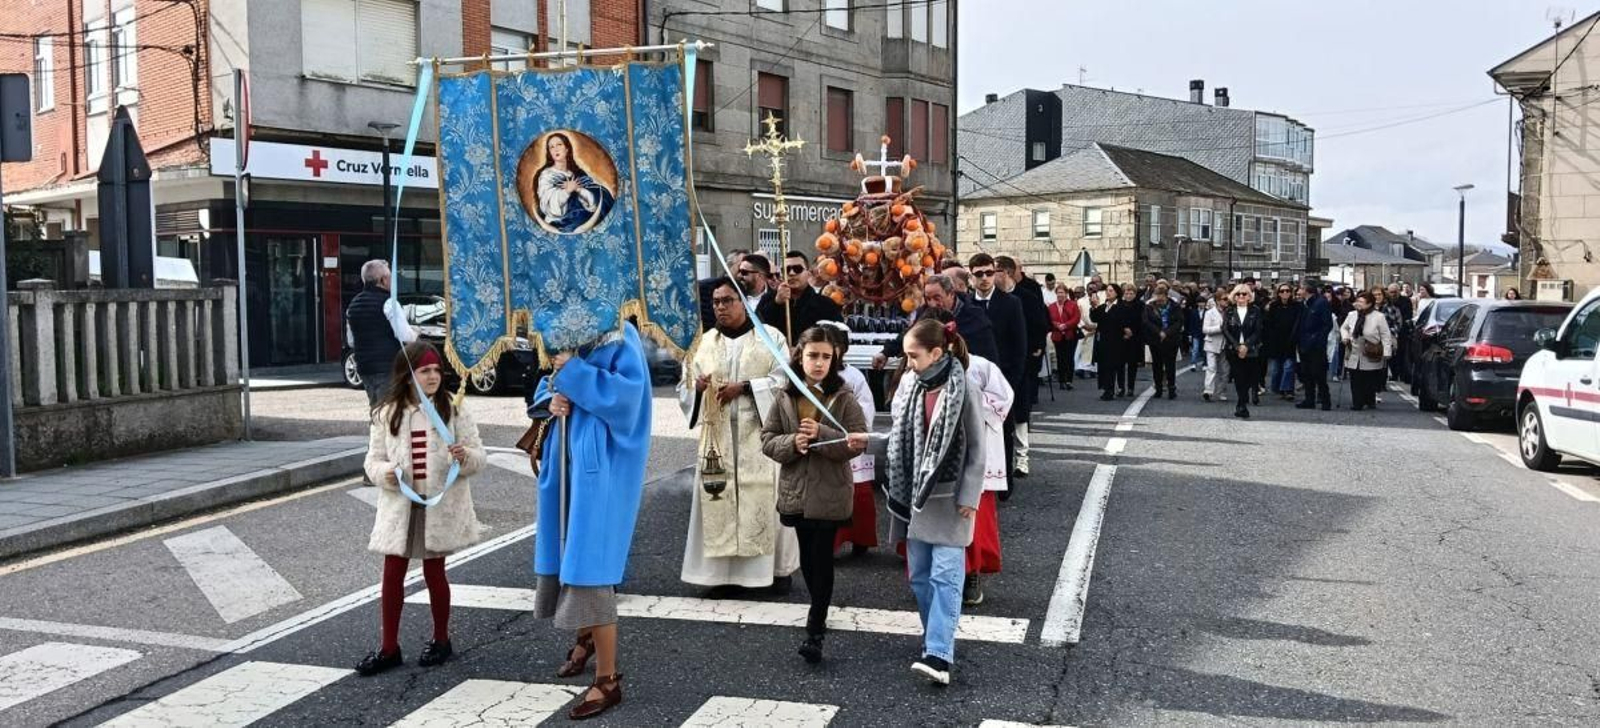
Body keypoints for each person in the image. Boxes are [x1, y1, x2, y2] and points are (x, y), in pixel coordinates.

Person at [527, 324, 652, 720]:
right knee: (569, 550)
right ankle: (586, 639)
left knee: (591, 564)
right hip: (566, 456)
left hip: (600, 465)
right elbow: (548, 381)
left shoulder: (621, 333)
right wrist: (551, 398)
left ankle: (608, 679)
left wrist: (575, 374)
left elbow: (629, 398)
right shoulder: (564, 326)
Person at [356, 342, 486, 677]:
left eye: (436, 370)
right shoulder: (388, 412)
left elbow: (478, 454)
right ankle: (389, 647)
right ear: (408, 374)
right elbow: (373, 459)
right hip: (401, 505)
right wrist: (386, 474)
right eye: (424, 371)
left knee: (434, 573)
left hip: (438, 504)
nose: (432, 377)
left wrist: (465, 457)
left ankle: (441, 640)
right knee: (392, 574)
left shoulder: (453, 410)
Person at [870, 318, 986, 686]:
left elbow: (979, 449)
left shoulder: (964, 388)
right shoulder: (913, 386)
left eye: (912, 355)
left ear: (937, 352)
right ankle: (936, 636)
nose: (907, 363)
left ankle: (939, 654)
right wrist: (861, 441)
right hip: (915, 498)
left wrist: (970, 494)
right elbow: (896, 438)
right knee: (920, 578)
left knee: (945, 577)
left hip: (951, 497)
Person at [679, 278, 799, 595]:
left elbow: (784, 380)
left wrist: (745, 387)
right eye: (716, 302)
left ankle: (771, 573)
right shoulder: (702, 344)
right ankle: (719, 576)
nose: (720, 307)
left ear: (743, 303)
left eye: (727, 300)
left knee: (762, 499)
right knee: (718, 499)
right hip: (716, 438)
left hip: (758, 437)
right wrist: (698, 388)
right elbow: (685, 387)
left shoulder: (770, 337)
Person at [760, 326, 870, 664]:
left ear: (835, 357)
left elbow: (859, 440)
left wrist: (822, 433)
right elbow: (767, 439)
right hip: (797, 490)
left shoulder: (844, 396)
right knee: (808, 557)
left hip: (830, 491)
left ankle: (815, 627)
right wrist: (792, 443)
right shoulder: (785, 394)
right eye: (812, 355)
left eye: (825, 356)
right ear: (800, 356)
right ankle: (818, 606)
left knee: (821, 557)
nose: (819, 363)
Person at [967, 254, 1026, 494]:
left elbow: (1019, 345)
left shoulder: (1011, 303)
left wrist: (1011, 383)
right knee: (974, 431)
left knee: (1003, 431)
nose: (984, 278)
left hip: (1003, 380)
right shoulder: (967, 305)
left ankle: (1004, 484)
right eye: (979, 274)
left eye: (989, 273)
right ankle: (978, 481)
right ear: (971, 276)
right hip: (973, 380)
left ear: (996, 273)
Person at [820, 323, 880, 558]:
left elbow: (867, 408)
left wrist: (853, 431)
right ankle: (829, 542)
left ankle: (860, 537)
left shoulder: (853, 376)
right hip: (823, 440)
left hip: (850, 441)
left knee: (858, 494)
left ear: (842, 349)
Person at [994, 256, 1050, 480]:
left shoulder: (1026, 296)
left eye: (994, 271)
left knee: (1020, 411)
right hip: (996, 362)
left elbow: (1040, 323)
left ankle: (1022, 457)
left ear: (1006, 272)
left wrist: (1036, 347)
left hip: (1021, 360)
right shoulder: (990, 299)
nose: (989, 276)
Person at [873, 275, 1000, 369]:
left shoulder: (974, 317)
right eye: (928, 299)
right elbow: (911, 334)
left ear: (951, 294)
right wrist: (886, 353)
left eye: (937, 298)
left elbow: (989, 358)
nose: (932, 304)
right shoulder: (925, 312)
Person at [346, 260, 418, 406]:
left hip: (365, 368)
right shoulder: (389, 303)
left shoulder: (352, 305)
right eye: (391, 277)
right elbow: (405, 336)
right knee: (391, 413)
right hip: (388, 366)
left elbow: (351, 341)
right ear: (383, 280)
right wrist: (416, 333)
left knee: (376, 410)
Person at [536, 132, 615, 233]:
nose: (555, 149)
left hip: (583, 217)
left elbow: (594, 199)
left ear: (567, 149)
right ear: (549, 152)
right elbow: (546, 203)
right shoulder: (547, 175)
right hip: (559, 221)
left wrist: (579, 189)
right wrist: (567, 192)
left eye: (559, 145)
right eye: (551, 147)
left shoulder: (578, 174)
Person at [759, 251, 844, 342]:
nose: (791, 273)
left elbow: (841, 338)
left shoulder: (825, 304)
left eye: (797, 269)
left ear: (808, 274)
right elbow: (758, 328)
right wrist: (776, 304)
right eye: (787, 270)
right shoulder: (768, 299)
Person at [1341, 291, 1394, 411]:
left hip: (1371, 350)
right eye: (1357, 301)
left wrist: (1387, 351)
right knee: (1355, 378)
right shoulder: (1352, 315)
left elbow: (1385, 335)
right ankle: (1357, 403)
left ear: (1369, 304)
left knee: (1369, 379)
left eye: (1361, 302)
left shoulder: (1379, 317)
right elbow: (1344, 327)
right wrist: (1345, 337)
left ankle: (1369, 399)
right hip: (1354, 350)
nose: (1358, 304)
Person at [1222, 284, 1264, 418]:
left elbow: (1258, 330)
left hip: (1250, 349)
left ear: (1249, 296)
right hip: (1233, 349)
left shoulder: (1255, 311)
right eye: (1238, 294)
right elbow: (1225, 329)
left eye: (1244, 294)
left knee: (1248, 377)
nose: (1241, 296)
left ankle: (1242, 401)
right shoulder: (1229, 311)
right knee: (1238, 376)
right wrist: (1236, 346)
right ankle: (1242, 404)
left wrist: (1246, 345)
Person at [1295, 282, 1334, 410]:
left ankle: (1325, 400)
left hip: (1316, 345)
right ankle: (1309, 399)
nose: (1298, 291)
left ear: (1307, 290)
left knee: (1319, 374)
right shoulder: (1304, 304)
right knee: (1306, 374)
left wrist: (1317, 339)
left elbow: (1327, 324)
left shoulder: (1321, 303)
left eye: (1300, 288)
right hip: (1304, 343)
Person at [1262, 283, 1303, 401]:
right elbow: (1268, 324)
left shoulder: (1297, 306)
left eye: (1287, 291)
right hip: (1276, 340)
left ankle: (1288, 389)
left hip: (1291, 339)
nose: (1285, 293)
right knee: (1276, 368)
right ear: (1278, 293)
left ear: (1291, 293)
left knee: (1289, 366)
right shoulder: (1273, 306)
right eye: (1282, 291)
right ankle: (1278, 388)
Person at [1143, 285, 1184, 399]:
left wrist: (1167, 332)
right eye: (1157, 296)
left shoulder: (1175, 306)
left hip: (1171, 339)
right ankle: (1158, 388)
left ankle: (1171, 388)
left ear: (1166, 296)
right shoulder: (1150, 307)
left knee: (1170, 365)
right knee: (1157, 365)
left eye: (1161, 296)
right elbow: (1147, 321)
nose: (1159, 299)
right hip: (1155, 340)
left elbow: (1178, 322)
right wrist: (1158, 332)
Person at [1092, 283, 1126, 401]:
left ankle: (1111, 390)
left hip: (1116, 341)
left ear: (1117, 293)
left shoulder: (1121, 306)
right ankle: (1106, 388)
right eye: (1107, 290)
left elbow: (1117, 320)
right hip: (1103, 341)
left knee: (1112, 366)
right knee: (1104, 366)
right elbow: (1094, 318)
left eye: (1111, 291)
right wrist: (1094, 307)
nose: (1108, 292)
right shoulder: (1103, 306)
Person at [1114, 283, 1145, 397]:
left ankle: (1131, 387)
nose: (1128, 295)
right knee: (1120, 364)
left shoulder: (1140, 305)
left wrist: (1132, 331)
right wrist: (1124, 330)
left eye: (1131, 293)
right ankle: (1121, 387)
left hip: (1134, 338)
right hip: (1121, 337)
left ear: (1135, 294)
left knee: (1132, 364)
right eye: (1126, 293)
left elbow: (1142, 321)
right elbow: (1116, 320)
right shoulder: (1119, 305)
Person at [1049, 282, 1081, 390]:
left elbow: (1076, 318)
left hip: (1070, 335)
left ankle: (1069, 380)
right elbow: (1049, 319)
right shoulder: (1052, 306)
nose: (1060, 295)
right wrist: (1056, 325)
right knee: (1060, 358)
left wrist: (1066, 325)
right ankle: (1061, 380)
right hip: (1057, 335)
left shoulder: (1072, 304)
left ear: (1066, 293)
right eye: (1058, 293)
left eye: (1062, 292)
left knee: (1069, 357)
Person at [1201, 289, 1230, 402]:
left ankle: (1222, 391)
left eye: (1228, 299)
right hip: (1212, 343)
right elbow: (1205, 329)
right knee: (1211, 368)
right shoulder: (1209, 313)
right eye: (1224, 299)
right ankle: (1208, 391)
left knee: (1225, 370)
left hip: (1226, 344)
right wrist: (1220, 328)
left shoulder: (1230, 312)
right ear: (1218, 301)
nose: (1227, 302)